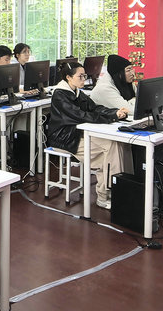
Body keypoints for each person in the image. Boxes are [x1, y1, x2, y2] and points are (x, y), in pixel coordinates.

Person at [47, 62, 128, 209]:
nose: (84, 79)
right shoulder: (60, 95)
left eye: (85, 76)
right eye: (80, 76)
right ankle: (107, 194)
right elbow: (81, 115)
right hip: (64, 139)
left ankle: (109, 193)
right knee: (109, 152)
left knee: (112, 147)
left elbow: (94, 108)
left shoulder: (77, 92)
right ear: (68, 77)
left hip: (76, 134)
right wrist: (112, 117)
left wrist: (115, 112)